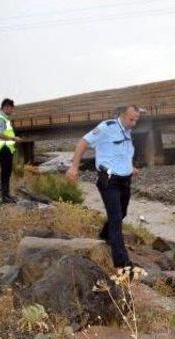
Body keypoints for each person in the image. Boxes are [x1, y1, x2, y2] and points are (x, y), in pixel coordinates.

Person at [66, 105, 142, 268]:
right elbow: (83, 142)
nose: (134, 123)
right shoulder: (106, 128)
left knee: (122, 213)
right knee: (116, 219)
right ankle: (123, 264)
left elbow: (122, 152)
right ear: (122, 115)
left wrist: (130, 167)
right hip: (109, 180)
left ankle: (105, 234)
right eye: (131, 119)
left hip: (125, 179)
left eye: (136, 119)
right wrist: (74, 167)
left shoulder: (127, 130)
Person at [0, 98, 22, 203]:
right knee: (5, 172)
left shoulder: (3, 118)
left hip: (5, 148)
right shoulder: (0, 118)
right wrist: (14, 138)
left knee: (7, 172)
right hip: (3, 148)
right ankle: (4, 196)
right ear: (6, 107)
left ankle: (6, 194)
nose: (12, 111)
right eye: (11, 109)